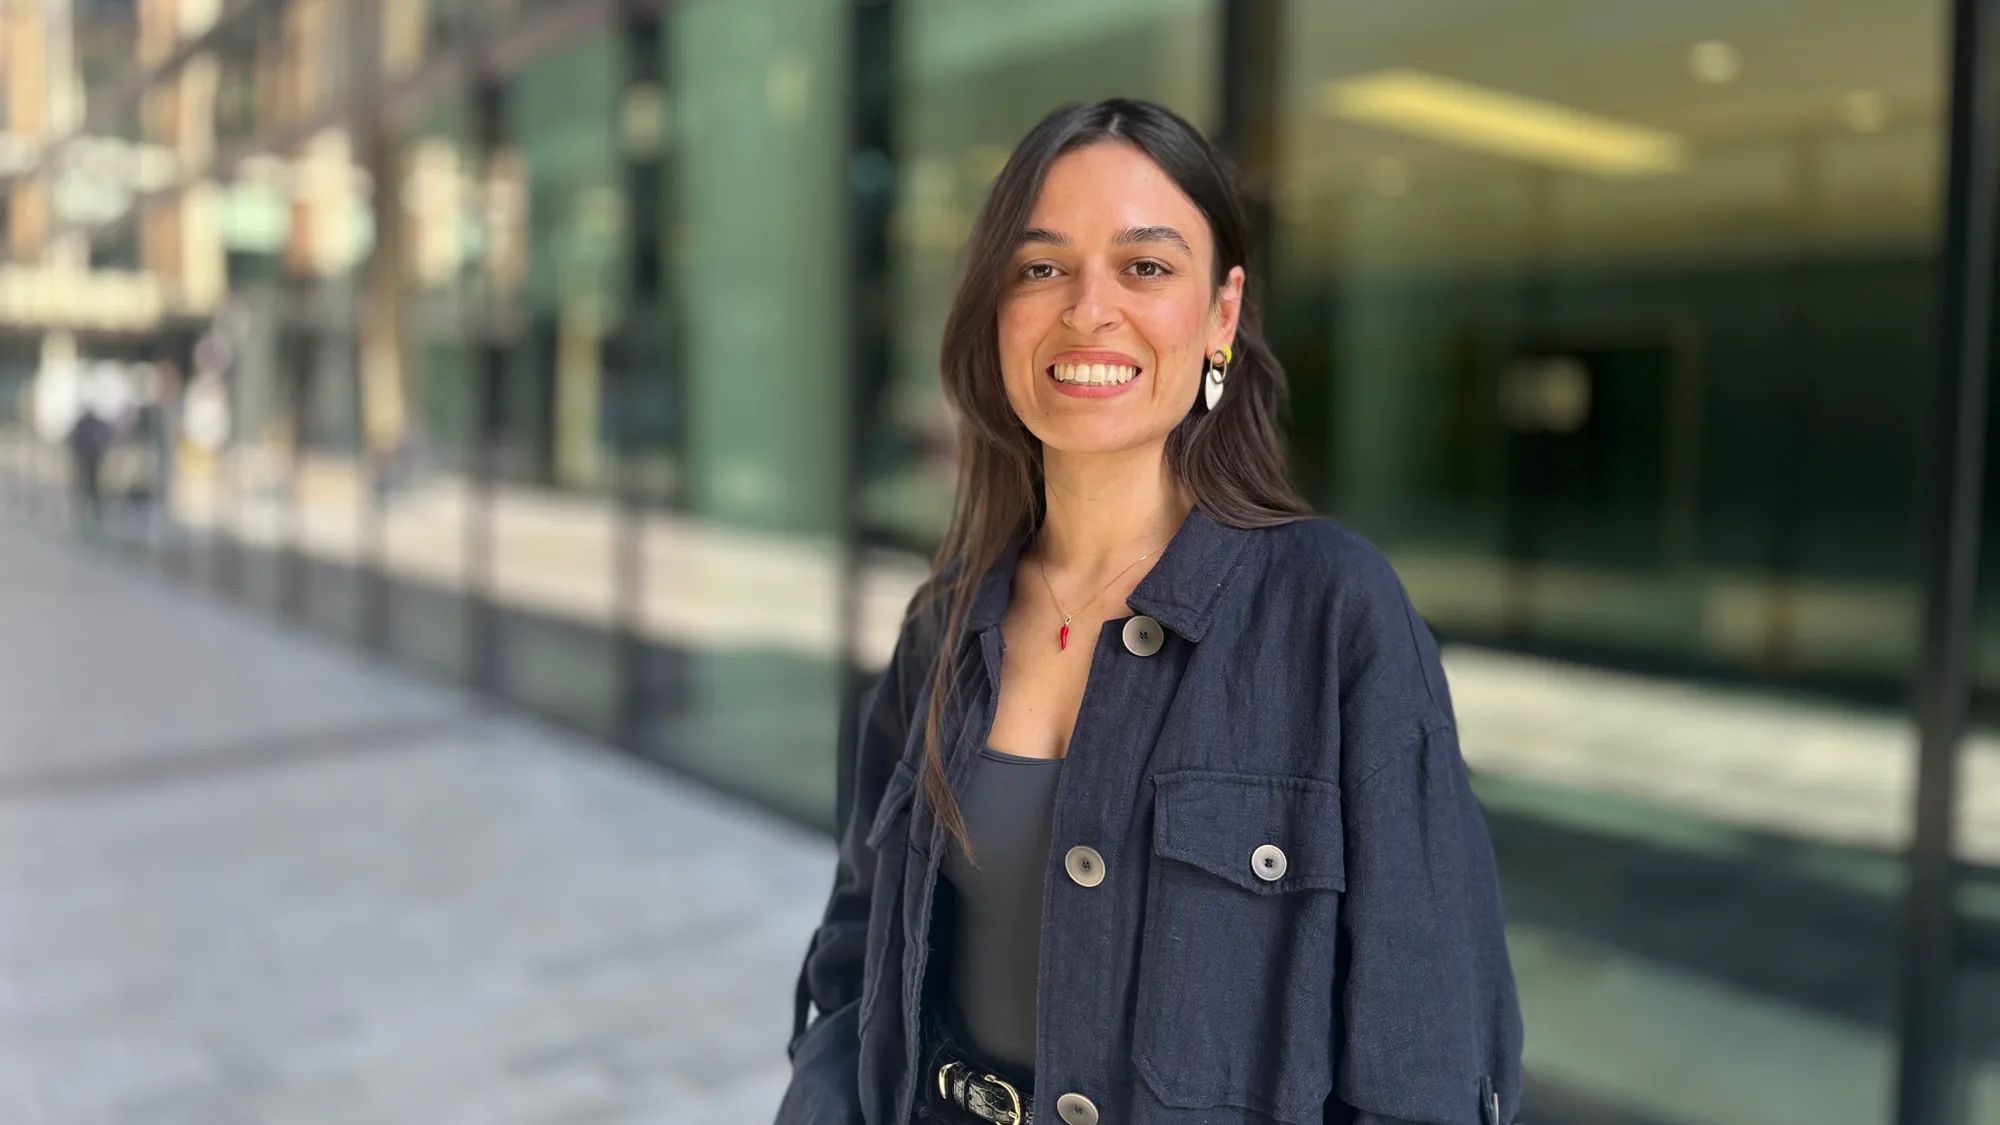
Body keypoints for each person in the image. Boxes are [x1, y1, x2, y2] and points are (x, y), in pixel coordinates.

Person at [777, 99, 1521, 1125]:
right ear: (996, 310)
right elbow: (859, 960)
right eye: (1041, 267)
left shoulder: (1335, 617)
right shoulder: (943, 622)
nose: (1089, 310)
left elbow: (1428, 1061)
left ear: (1220, 315)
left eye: (1145, 266)